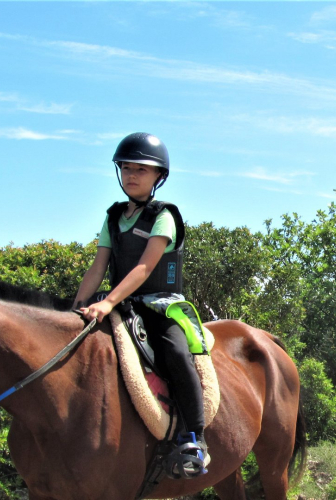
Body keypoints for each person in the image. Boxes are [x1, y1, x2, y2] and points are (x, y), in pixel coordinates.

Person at [71, 132, 209, 476]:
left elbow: (144, 267)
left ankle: (196, 438)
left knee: (176, 351)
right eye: (126, 168)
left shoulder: (164, 216)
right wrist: (79, 304)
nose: (131, 176)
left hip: (159, 303)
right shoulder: (113, 217)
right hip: (121, 303)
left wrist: (108, 302)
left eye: (141, 170)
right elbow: (98, 265)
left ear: (158, 176)